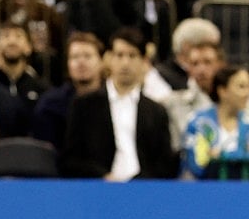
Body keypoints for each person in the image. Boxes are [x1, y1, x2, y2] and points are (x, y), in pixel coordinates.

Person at [60, 27, 177, 180]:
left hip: (144, 192)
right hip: (97, 189)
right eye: (119, 55)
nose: (125, 63)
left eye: (132, 55)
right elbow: (71, 158)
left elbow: (163, 163)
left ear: (144, 62)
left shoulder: (156, 111)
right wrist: (103, 176)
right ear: (108, 59)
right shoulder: (84, 105)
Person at [182, 65, 249, 180]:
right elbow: (196, 165)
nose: (248, 93)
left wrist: (219, 157)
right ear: (223, 91)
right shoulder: (199, 123)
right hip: (205, 191)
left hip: (247, 192)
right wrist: (243, 157)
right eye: (241, 87)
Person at [31, 31, 104, 151]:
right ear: (68, 64)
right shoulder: (50, 104)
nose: (81, 62)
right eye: (74, 57)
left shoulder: (115, 100)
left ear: (101, 61)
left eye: (87, 56)